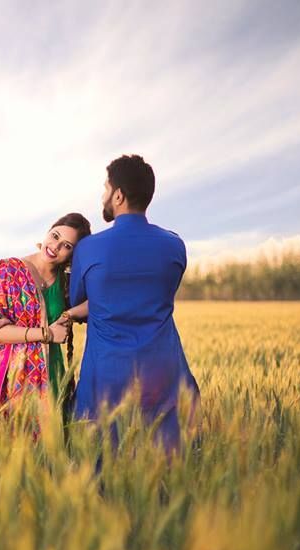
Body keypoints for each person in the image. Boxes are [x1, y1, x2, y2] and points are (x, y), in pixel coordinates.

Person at [69, 155, 198, 456]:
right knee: (164, 468)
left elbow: (78, 300)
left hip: (105, 375)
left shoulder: (88, 248)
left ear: (118, 195)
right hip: (163, 373)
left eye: (105, 188)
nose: (103, 196)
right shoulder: (174, 245)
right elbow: (165, 292)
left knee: (100, 468)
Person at [0, 213, 91, 438]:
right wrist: (47, 333)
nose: (55, 246)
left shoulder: (66, 281)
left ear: (72, 255)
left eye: (66, 245)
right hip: (10, 375)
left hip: (50, 370)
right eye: (55, 236)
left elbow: (98, 302)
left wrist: (69, 314)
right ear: (47, 232)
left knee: (46, 454)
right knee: (6, 447)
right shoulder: (7, 272)